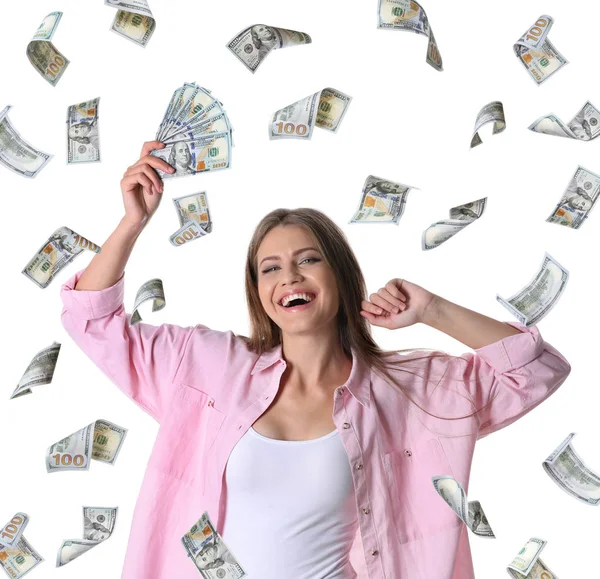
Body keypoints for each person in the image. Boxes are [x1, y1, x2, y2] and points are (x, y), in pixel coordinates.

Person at [60, 141, 571, 579]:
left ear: (340, 275)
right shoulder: (205, 365)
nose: (290, 277)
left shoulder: (406, 395)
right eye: (270, 268)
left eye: (308, 259)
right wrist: (132, 222)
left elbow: (536, 369)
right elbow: (92, 322)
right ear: (258, 291)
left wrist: (432, 309)